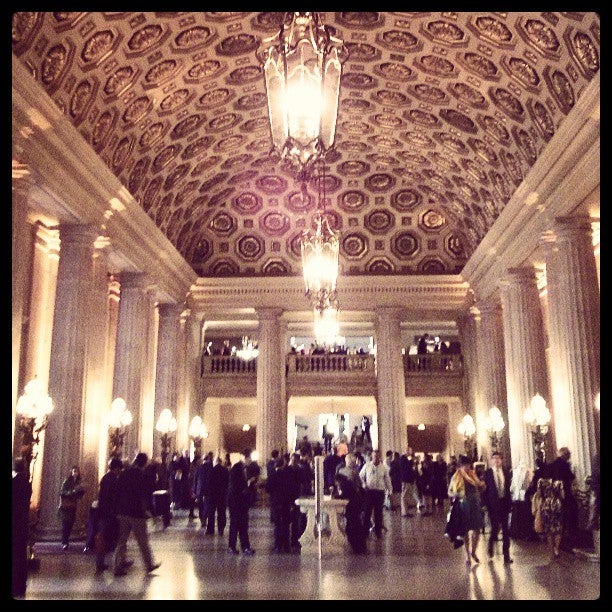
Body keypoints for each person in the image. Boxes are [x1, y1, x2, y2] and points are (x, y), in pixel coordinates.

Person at [113, 452, 161, 576]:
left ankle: (117, 566)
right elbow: (147, 495)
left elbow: (116, 491)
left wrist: (117, 508)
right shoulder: (143, 475)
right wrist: (153, 513)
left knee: (121, 541)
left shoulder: (124, 473)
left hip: (123, 512)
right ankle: (149, 565)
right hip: (136, 513)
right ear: (144, 463)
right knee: (143, 541)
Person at [448, 455, 486, 567]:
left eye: (468, 465)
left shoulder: (473, 474)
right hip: (463, 505)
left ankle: (473, 551)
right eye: (465, 465)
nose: (467, 467)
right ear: (460, 466)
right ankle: (468, 556)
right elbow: (449, 492)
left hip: (474, 504)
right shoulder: (456, 477)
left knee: (477, 530)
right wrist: (454, 494)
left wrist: (483, 485)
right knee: (465, 532)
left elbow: (479, 486)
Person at [482, 451, 513, 564]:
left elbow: (508, 489)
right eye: (494, 458)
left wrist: (510, 503)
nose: (496, 460)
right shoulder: (488, 473)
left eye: (498, 458)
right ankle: (490, 545)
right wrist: (485, 504)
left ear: (501, 460)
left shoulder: (506, 472)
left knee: (506, 530)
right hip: (493, 505)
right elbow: (484, 491)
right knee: (495, 527)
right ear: (491, 460)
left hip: (504, 503)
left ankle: (506, 555)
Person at [94, 457, 123, 572]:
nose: (120, 471)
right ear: (115, 468)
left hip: (104, 512)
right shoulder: (112, 480)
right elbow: (111, 497)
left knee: (104, 537)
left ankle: (101, 562)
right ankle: (117, 563)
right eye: (119, 469)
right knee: (110, 538)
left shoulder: (106, 478)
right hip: (109, 513)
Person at [335, 453, 367, 554]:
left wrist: (338, 496)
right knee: (354, 525)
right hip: (355, 504)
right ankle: (358, 546)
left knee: (352, 526)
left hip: (353, 505)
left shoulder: (347, 479)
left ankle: (357, 546)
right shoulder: (348, 477)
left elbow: (346, 493)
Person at [547, 447, 578, 552]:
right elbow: (571, 477)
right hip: (565, 495)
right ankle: (568, 541)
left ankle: (557, 545)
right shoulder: (565, 465)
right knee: (568, 518)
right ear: (566, 455)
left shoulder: (552, 465)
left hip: (553, 497)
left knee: (557, 520)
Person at [227, 449, 256, 555]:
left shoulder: (245, 469)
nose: (250, 461)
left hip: (242, 503)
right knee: (234, 525)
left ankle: (245, 547)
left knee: (244, 525)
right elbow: (234, 486)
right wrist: (247, 485)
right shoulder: (236, 468)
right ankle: (231, 547)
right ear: (245, 458)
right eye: (249, 459)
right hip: (235, 502)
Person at [359, 450, 391, 538]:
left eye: (377, 456)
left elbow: (387, 479)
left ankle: (378, 532)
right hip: (369, 492)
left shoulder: (384, 467)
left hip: (380, 492)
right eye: (374, 456)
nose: (376, 458)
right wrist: (363, 484)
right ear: (372, 457)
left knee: (378, 513)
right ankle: (365, 532)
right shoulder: (367, 466)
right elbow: (360, 476)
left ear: (379, 457)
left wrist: (390, 490)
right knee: (367, 512)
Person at [12, 458, 32, 598]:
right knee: (21, 555)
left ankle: (14, 585)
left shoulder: (13, 483)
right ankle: (20, 585)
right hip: (22, 524)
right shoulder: (27, 484)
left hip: (13, 524)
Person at [266, 455, 294, 553]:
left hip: (276, 502)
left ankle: (277, 545)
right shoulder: (288, 476)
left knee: (277, 525)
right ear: (283, 465)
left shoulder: (272, 475)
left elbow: (268, 489)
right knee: (286, 525)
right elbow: (291, 490)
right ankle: (286, 546)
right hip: (286, 503)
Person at [531, 477, 564, 560]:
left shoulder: (541, 481)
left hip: (546, 505)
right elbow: (563, 495)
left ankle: (552, 551)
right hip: (557, 505)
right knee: (558, 528)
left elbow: (538, 494)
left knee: (548, 530)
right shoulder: (559, 481)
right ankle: (556, 548)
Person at [58, 465, 85, 550]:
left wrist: (81, 492)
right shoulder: (67, 481)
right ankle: (64, 542)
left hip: (73, 505)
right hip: (66, 506)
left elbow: (78, 494)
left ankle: (66, 541)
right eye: (74, 471)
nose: (75, 473)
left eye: (77, 471)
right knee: (65, 524)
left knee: (70, 524)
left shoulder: (77, 482)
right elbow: (62, 492)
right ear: (71, 472)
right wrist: (73, 491)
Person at [206, 455, 229, 536]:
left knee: (211, 512)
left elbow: (208, 483)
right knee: (221, 512)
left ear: (215, 462)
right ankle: (221, 529)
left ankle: (210, 529)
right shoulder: (225, 470)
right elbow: (227, 483)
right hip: (222, 494)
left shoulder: (211, 470)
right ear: (220, 462)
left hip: (212, 495)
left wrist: (207, 493)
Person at [194, 451, 214, 530]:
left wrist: (194, 490)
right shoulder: (211, 467)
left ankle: (202, 518)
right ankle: (205, 517)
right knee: (206, 504)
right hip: (208, 488)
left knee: (200, 505)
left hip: (200, 488)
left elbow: (195, 479)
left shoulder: (199, 467)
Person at [399, 447, 417, 517]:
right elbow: (406, 468)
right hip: (405, 479)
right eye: (410, 451)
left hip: (409, 479)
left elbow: (411, 468)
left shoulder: (407, 458)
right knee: (404, 496)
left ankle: (406, 511)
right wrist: (412, 461)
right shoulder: (403, 458)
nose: (411, 452)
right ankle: (404, 512)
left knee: (407, 496)